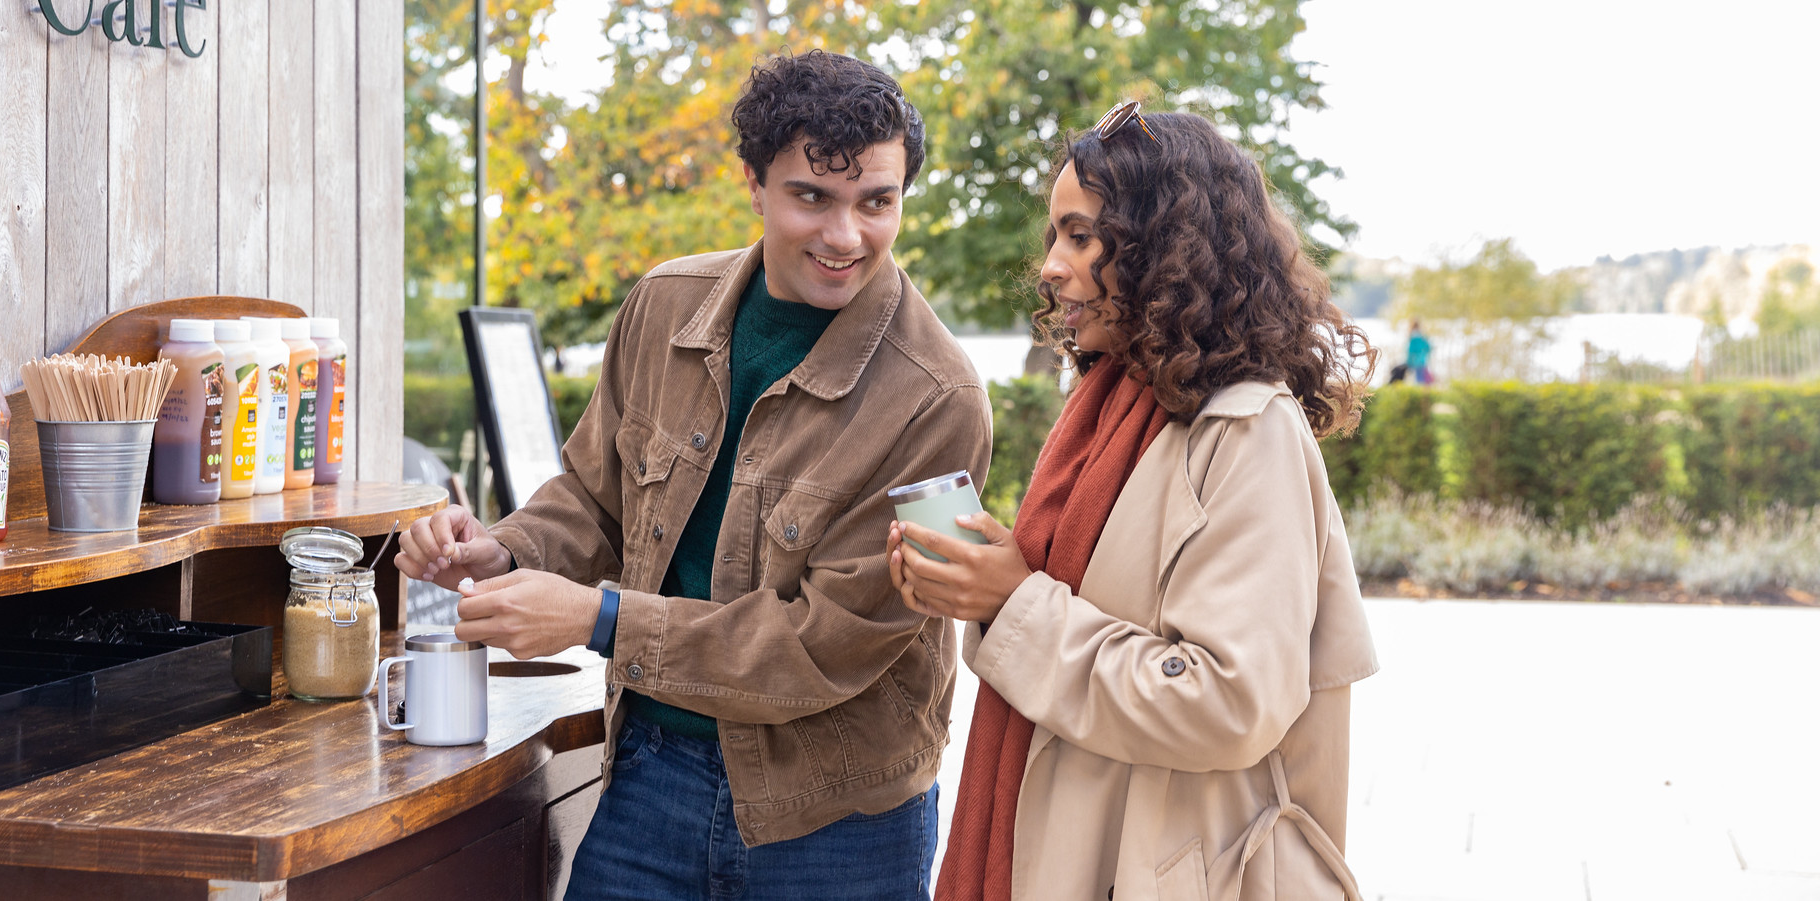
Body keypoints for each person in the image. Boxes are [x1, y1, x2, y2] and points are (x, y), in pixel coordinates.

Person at [397, 50, 991, 901]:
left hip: (840, 819)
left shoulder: (940, 398)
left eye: (877, 202)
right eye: (811, 197)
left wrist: (598, 618)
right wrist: (502, 548)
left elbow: (823, 646)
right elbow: (595, 495)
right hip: (653, 776)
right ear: (753, 182)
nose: (844, 235)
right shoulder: (662, 306)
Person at [888, 105, 1379, 901]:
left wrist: (1012, 602)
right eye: (1055, 235)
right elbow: (1060, 615)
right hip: (1076, 843)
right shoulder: (1117, 403)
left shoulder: (1247, 431)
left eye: (1079, 236)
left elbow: (1227, 700)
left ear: (1167, 247)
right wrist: (972, 588)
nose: (1050, 265)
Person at [1406, 319, 1433, 385]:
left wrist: (1408, 362)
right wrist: (1423, 354)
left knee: (1418, 380)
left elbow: (1410, 351)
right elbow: (1429, 348)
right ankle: (1424, 392)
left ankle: (1420, 393)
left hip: (1414, 362)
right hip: (1423, 360)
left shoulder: (1413, 338)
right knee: (1422, 379)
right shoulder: (1423, 336)